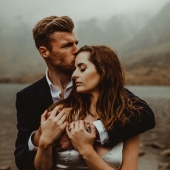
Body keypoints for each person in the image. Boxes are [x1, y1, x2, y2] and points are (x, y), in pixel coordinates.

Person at [14, 16, 155, 170]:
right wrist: (40, 137)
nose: (76, 50)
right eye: (67, 45)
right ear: (44, 52)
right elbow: (22, 160)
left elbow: (145, 116)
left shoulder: (95, 85)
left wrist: (89, 131)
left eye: (76, 43)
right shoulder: (27, 98)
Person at [34, 45, 153, 170]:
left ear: (104, 71)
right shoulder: (62, 112)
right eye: (74, 69)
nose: (74, 75)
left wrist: (85, 150)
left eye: (82, 69)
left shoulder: (128, 120)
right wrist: (44, 143)